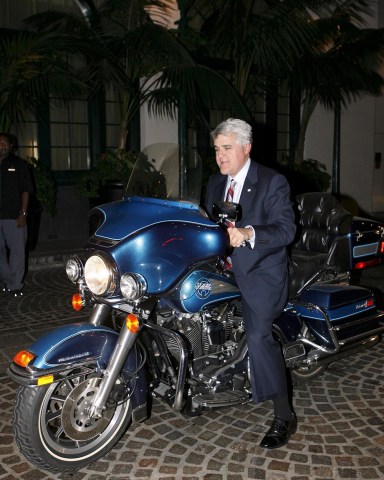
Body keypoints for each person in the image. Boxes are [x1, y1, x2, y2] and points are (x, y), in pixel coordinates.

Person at [205, 118, 297, 449]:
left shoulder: (272, 182)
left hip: (262, 272)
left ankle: (284, 414)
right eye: (216, 149)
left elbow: (286, 230)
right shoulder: (215, 182)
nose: (220, 156)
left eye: (226, 148)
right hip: (223, 268)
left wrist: (248, 233)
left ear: (246, 147)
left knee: (258, 335)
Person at [0, 133, 33, 297]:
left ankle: (16, 284)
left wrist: (23, 213)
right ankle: (8, 280)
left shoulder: (18, 164)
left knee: (17, 251)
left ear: (11, 145)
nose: (2, 145)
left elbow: (26, 190)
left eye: (5, 143)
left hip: (14, 215)